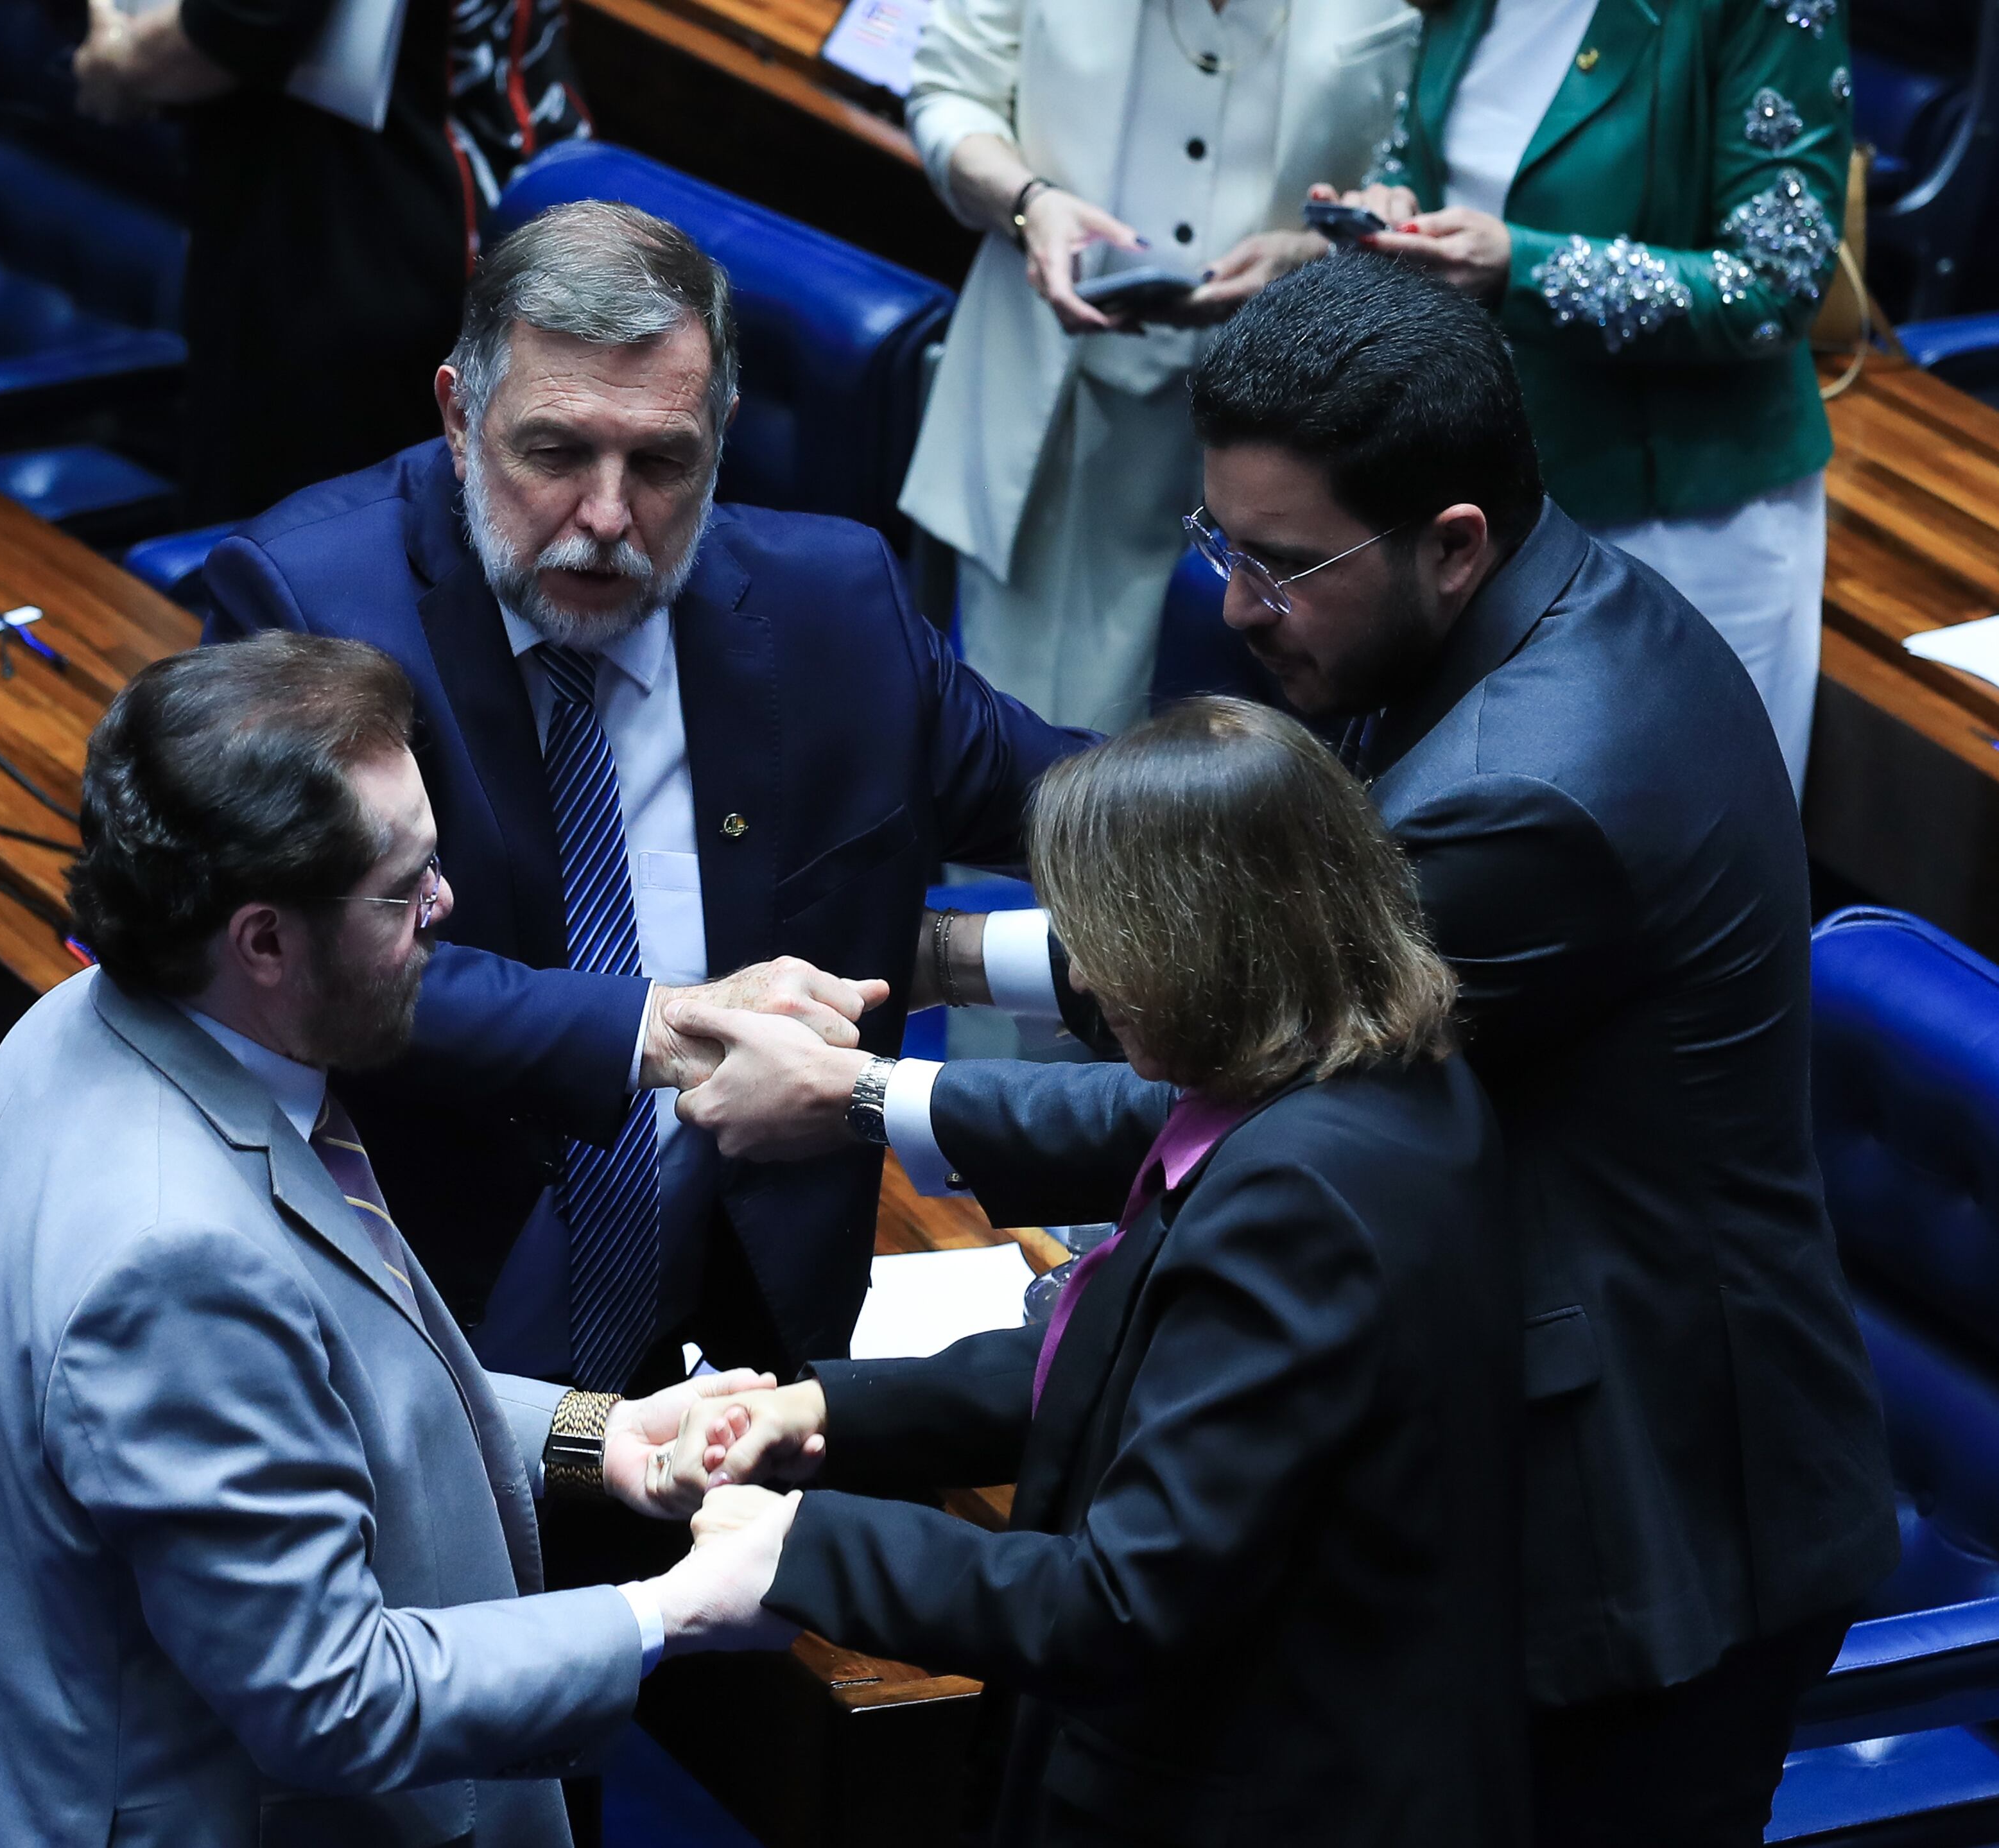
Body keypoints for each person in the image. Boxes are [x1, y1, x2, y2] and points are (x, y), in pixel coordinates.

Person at [695, 253, 1899, 1848]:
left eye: (1276, 565)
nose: (1233, 605)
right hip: (1487, 1391)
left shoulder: (1529, 792)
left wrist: (866, 1096)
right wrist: (917, 953)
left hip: (1637, 1519)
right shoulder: (1456, 618)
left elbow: (1229, 1040)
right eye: (1218, 544)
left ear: (1449, 541)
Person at [0, 634, 792, 1848]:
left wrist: (596, 1434)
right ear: (262, 938)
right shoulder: (174, 1256)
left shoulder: (88, 1022)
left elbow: (333, 1386)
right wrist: (670, 1607)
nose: (445, 903)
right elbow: (331, 1695)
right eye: (403, 884)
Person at [201, 200, 1097, 1397]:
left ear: (721, 434)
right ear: (461, 416)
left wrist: (1336, 827)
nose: (610, 517)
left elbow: (1086, 811)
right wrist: (653, 1026)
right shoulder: (314, 597)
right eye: (557, 452)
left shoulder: (834, 607)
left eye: (663, 461)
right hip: (425, 1320)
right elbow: (300, 955)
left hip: (760, 1336)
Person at [658, 695, 1524, 1845]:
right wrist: (824, 1406)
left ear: (1203, 945)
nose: (1091, 982)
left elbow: (1124, 1601)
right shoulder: (1366, 1078)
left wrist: (799, 1546)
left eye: (1106, 937)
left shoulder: (1300, 1195)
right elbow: (1127, 1348)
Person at [1324, 0, 1849, 789]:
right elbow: (1430, 160)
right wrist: (1393, 204)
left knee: (1677, 831)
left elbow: (1774, 286)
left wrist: (1521, 267)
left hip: (1688, 518)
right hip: (1488, 494)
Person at [894, 0, 1418, 730]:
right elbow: (949, 94)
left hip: (1293, 423)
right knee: (1014, 732)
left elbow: (1418, 172)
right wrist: (1028, 203)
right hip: (1055, 393)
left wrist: (1313, 250)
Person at [66, 0, 587, 519]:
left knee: (295, 561)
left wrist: (121, 59)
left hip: (360, 235)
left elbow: (240, 26)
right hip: (509, 193)